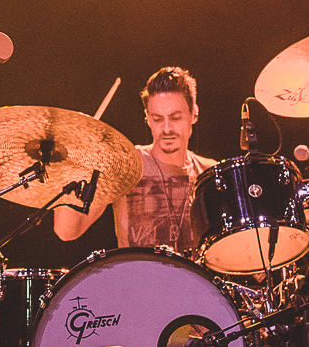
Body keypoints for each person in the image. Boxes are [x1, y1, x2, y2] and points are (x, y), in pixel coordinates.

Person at [53, 67, 216, 254]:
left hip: (197, 283)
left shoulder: (211, 173)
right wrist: (71, 165)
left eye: (176, 117)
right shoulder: (125, 164)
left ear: (194, 114)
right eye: (157, 119)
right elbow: (66, 232)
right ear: (147, 118)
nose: (167, 128)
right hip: (137, 281)